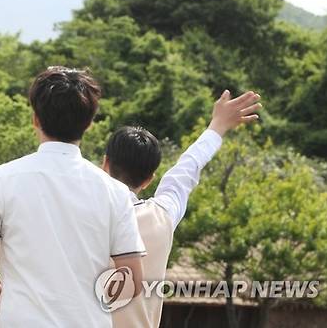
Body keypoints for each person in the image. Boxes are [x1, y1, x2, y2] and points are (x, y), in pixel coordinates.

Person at [0, 66, 146, 327]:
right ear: (89, 123)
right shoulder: (114, 191)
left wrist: (11, 307)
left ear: (35, 118)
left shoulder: (3, 178)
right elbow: (133, 281)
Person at [105, 90, 261, 328]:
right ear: (149, 179)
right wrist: (217, 126)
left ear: (105, 164)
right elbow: (186, 170)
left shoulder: (83, 213)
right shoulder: (161, 217)